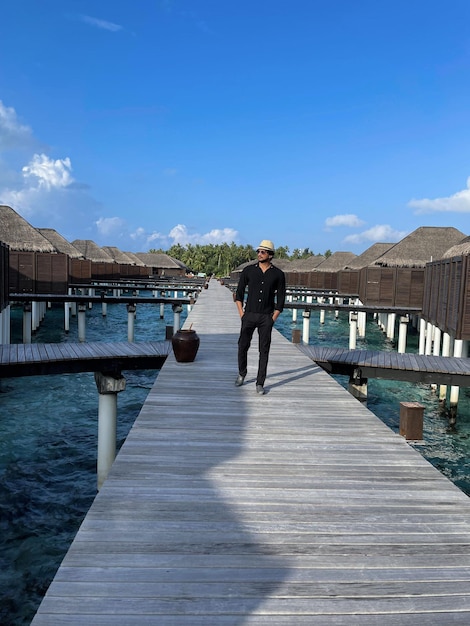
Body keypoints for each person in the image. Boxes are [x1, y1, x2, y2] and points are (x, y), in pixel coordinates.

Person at [234, 239, 286, 395]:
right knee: (242, 345)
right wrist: (242, 314)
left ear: (270, 255)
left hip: (266, 317)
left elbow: (281, 298)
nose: (259, 254)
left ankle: (260, 382)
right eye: (258, 251)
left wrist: (272, 319)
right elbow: (239, 293)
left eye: (263, 252)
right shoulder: (248, 271)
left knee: (264, 350)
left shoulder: (278, 274)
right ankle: (242, 374)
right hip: (248, 314)